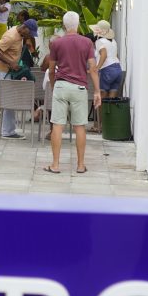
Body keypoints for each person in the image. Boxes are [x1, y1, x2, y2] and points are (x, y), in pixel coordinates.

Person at [44, 11, 101, 174]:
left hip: (61, 86)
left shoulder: (57, 43)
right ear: (77, 25)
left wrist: (54, 85)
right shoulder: (87, 43)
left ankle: (55, 165)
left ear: (64, 25)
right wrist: (97, 91)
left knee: (57, 126)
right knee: (79, 127)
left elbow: (51, 69)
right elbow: (93, 68)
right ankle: (80, 165)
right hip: (79, 88)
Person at [0, 19, 38, 139]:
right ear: (24, 28)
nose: (30, 36)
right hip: (2, 70)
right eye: (30, 33)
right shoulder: (12, 36)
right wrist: (10, 62)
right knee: (8, 99)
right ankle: (8, 131)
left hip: (2, 69)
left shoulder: (18, 33)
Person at [91, 19, 122, 98]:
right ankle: (110, 110)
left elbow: (103, 54)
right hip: (118, 68)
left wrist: (97, 68)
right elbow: (116, 55)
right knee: (112, 98)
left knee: (102, 97)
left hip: (107, 69)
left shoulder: (100, 41)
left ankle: (103, 111)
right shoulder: (113, 41)